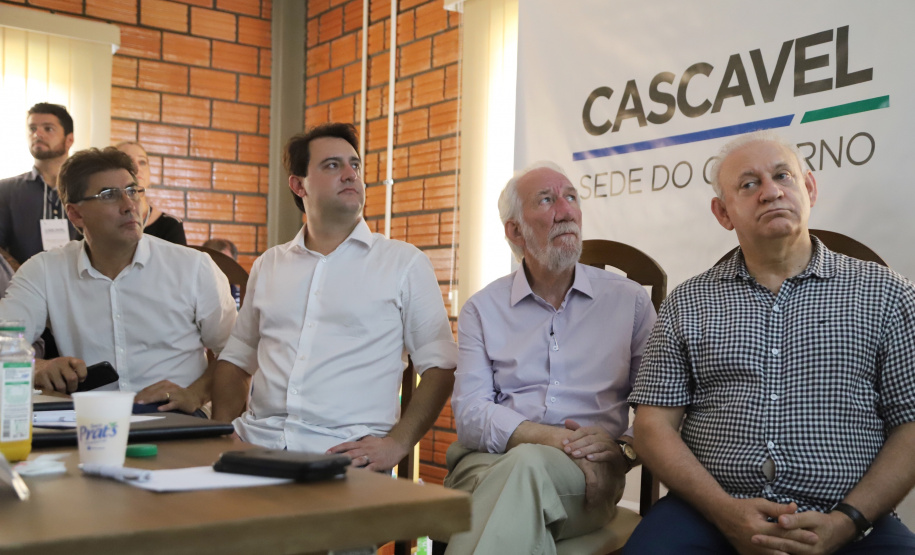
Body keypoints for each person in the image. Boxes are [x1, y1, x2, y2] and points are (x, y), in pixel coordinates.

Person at [626, 131, 915, 554]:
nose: (771, 192)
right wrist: (723, 512)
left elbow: (911, 425)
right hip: (708, 512)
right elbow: (653, 427)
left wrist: (846, 521)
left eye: (783, 176)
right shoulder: (689, 303)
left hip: (853, 518)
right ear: (723, 212)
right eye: (749, 184)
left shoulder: (888, 294)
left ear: (809, 188)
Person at [211, 123, 457, 471]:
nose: (349, 174)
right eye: (332, 165)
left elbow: (441, 367)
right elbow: (235, 362)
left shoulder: (403, 263)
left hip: (345, 457)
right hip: (256, 445)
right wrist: (223, 429)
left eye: (354, 165)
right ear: (299, 184)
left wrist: (396, 445)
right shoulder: (270, 265)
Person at [442, 162, 656, 554]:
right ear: (515, 230)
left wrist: (622, 453)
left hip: (584, 476)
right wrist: (554, 440)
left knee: (524, 475)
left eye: (571, 197)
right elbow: (470, 415)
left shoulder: (630, 302)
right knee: (525, 472)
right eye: (547, 200)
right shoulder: (482, 309)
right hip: (483, 465)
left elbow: (660, 410)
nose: (566, 210)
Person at [0, 147, 237, 415]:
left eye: (133, 191)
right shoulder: (44, 270)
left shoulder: (192, 267)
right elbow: (4, 341)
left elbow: (238, 351)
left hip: (175, 416)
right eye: (109, 195)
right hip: (91, 420)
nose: (129, 205)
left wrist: (195, 394)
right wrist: (37, 366)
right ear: (76, 214)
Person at [0, 103, 80, 264]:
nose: (37, 134)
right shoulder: (5, 190)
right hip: (21, 285)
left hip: (79, 285)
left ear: (69, 139)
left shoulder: (86, 188)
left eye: (48, 128)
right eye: (32, 128)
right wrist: (23, 275)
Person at [115, 141, 187, 245]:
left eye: (142, 162)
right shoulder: (98, 222)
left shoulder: (170, 225)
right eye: (128, 161)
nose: (137, 168)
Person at [203, 238, 242, 308]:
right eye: (216, 263)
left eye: (227, 263)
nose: (221, 269)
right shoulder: (192, 296)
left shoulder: (242, 298)